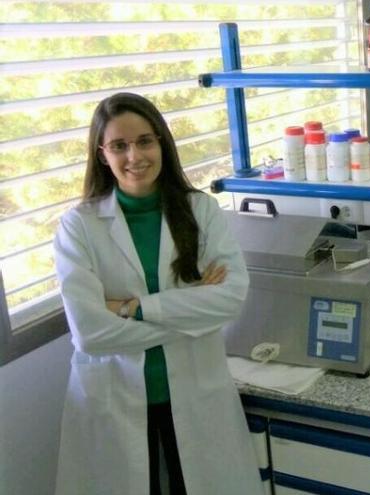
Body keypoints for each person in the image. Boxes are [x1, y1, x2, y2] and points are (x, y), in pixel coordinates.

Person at [53, 92, 262, 495]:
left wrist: (133, 309)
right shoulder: (78, 226)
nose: (135, 155)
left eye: (145, 141)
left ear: (162, 143)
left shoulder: (200, 211)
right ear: (102, 154)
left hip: (194, 391)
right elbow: (90, 333)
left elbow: (231, 298)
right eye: (119, 145)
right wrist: (192, 316)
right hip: (113, 395)